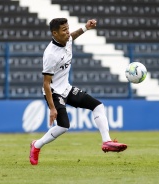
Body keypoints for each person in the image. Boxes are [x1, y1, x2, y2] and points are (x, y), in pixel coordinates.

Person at [29, 18, 127, 165]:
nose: (67, 32)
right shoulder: (50, 55)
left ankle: (106, 142)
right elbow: (46, 84)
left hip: (66, 88)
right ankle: (36, 146)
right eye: (64, 30)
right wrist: (52, 108)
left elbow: (72, 36)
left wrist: (86, 28)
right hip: (54, 92)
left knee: (97, 106)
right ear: (54, 33)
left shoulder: (67, 39)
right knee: (63, 126)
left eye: (68, 28)